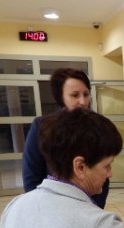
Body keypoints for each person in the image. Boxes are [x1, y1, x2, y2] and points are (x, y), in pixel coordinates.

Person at [22, 67, 110, 208]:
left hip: (88, 206)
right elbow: (31, 177)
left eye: (86, 94)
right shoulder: (42, 127)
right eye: (75, 95)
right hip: (51, 207)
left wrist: (94, 208)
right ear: (61, 97)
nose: (83, 101)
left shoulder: (98, 127)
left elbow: (103, 173)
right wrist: (44, 210)